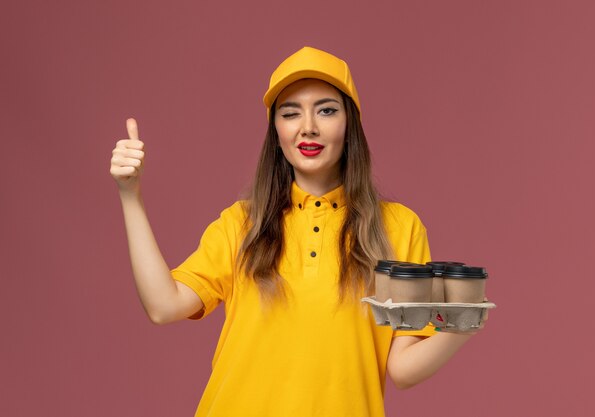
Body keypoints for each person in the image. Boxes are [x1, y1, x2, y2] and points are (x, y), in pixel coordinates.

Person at [110, 46, 481, 417]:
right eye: (290, 113)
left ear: (349, 122)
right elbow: (163, 305)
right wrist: (131, 196)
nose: (308, 126)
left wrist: (463, 323)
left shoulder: (399, 228)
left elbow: (402, 369)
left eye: (326, 110)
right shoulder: (242, 224)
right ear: (276, 131)